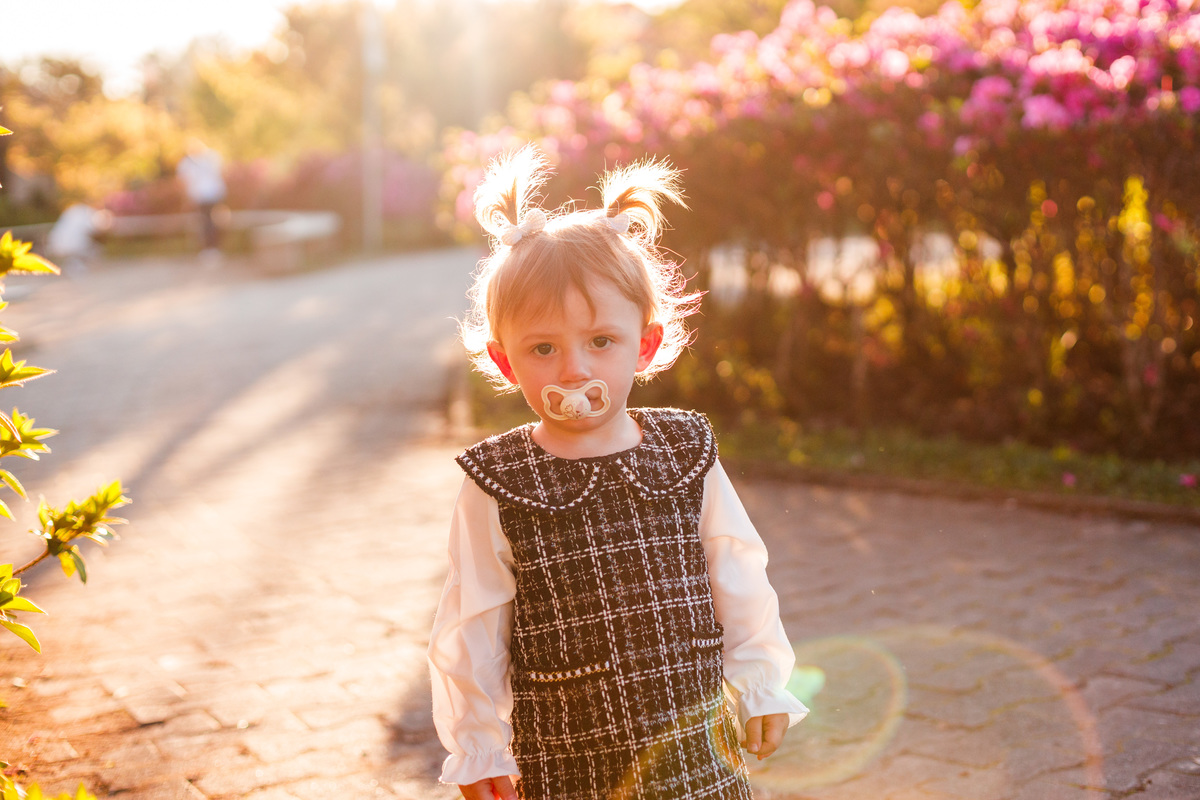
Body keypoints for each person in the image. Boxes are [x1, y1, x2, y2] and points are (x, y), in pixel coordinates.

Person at [428, 147, 808, 800]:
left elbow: (738, 572)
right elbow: (474, 621)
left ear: (645, 345)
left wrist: (759, 683)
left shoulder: (684, 451)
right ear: (507, 361)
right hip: (569, 759)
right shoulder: (498, 481)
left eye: (600, 341)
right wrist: (480, 744)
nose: (574, 368)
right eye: (543, 348)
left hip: (694, 749)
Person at [176, 139, 226, 265]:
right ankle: (210, 249)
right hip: (205, 196)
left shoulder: (208, 158)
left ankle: (210, 249)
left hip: (208, 196)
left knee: (208, 222)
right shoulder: (208, 158)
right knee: (207, 222)